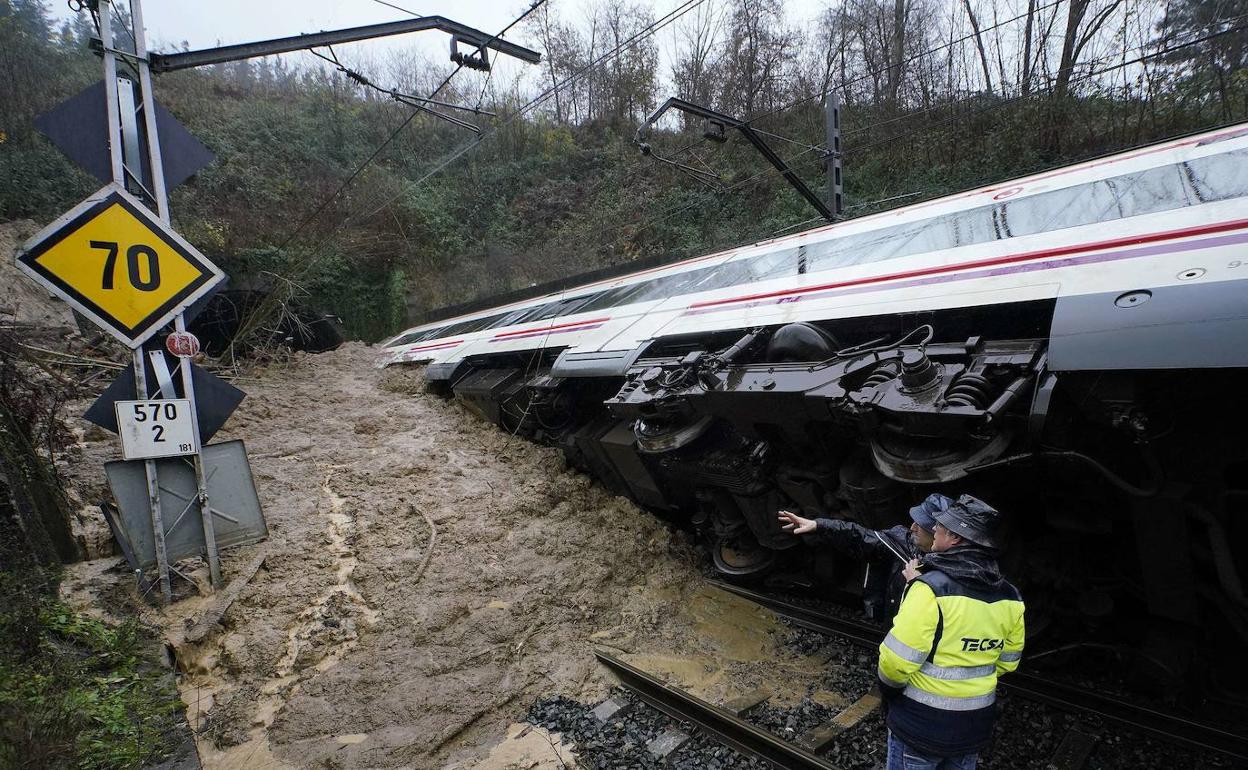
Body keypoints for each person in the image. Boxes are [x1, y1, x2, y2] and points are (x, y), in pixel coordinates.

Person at [875, 494, 1025, 770]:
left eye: (941, 526)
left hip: (920, 727)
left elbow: (894, 665)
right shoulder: (1011, 596)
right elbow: (1007, 662)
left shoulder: (930, 588)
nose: (934, 529)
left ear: (954, 538)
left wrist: (890, 693)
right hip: (972, 729)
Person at [777, 496, 946, 622]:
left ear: (936, 532)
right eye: (914, 522)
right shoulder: (902, 541)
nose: (912, 527)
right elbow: (858, 535)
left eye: (920, 525)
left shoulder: (951, 567)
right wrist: (818, 525)